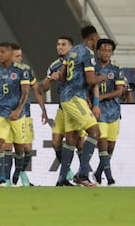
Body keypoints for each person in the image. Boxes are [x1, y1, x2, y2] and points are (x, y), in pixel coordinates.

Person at [57, 25, 108, 186]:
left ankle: (62, 179)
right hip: (74, 97)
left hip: (67, 97)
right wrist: (102, 77)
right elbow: (92, 80)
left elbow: (62, 76)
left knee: (71, 137)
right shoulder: (87, 53)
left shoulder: (72, 52)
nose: (97, 42)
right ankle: (83, 174)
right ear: (92, 38)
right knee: (95, 131)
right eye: (96, 39)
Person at [0, 42, 30, 187]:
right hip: (1, 115)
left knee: (20, 148)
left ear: (10, 53)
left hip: (18, 115)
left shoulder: (22, 70)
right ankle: (3, 180)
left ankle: (16, 175)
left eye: (2, 52)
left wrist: (18, 110)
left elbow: (25, 92)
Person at [6, 43, 47, 186]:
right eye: (17, 56)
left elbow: (36, 90)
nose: (20, 58)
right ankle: (6, 180)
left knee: (27, 148)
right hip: (8, 115)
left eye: (20, 55)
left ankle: (20, 172)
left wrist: (43, 110)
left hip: (25, 113)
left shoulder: (26, 70)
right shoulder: (2, 71)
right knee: (9, 146)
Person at [42, 36, 78, 186]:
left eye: (64, 44)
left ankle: (82, 175)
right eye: (58, 44)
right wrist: (51, 78)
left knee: (77, 142)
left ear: (71, 47)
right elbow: (44, 87)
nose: (60, 47)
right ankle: (68, 173)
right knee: (56, 141)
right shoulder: (55, 65)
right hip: (63, 108)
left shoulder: (78, 63)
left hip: (77, 107)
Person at [92, 38, 125, 186]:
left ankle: (98, 173)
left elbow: (119, 91)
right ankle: (110, 178)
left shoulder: (116, 69)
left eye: (109, 51)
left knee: (110, 147)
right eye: (104, 50)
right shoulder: (92, 68)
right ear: (98, 51)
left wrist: (102, 96)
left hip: (114, 112)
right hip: (99, 113)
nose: (106, 53)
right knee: (103, 145)